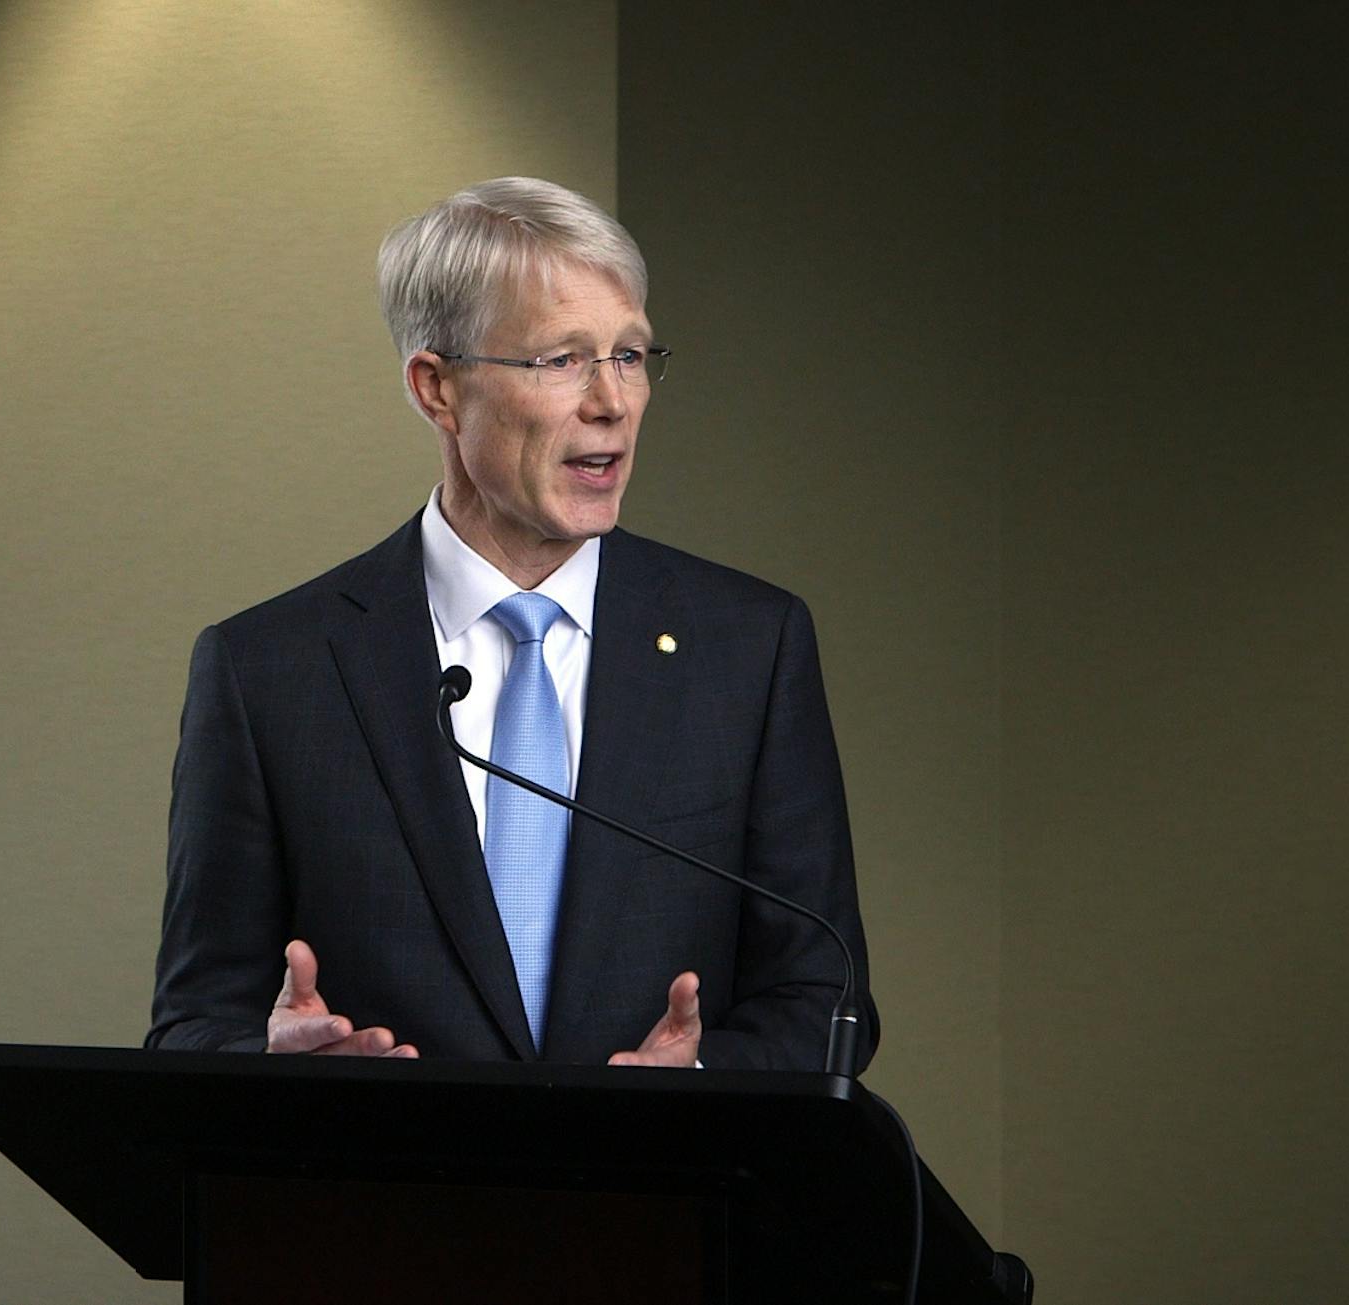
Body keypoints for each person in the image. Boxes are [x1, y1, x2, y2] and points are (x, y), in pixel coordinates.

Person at [147, 177, 872, 1070]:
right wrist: (275, 1067)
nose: (612, 402)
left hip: (659, 1166)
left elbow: (825, 995)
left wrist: (700, 1077)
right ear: (437, 389)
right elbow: (191, 1024)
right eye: (561, 360)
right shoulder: (268, 670)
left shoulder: (749, 648)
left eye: (630, 355)